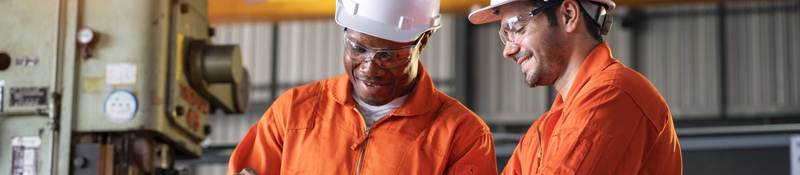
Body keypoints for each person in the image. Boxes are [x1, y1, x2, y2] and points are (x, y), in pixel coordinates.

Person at [227, 0, 498, 174]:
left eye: (388, 55)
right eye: (358, 48)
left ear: (423, 40)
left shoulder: (462, 135)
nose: (369, 67)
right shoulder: (293, 112)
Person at [468, 0, 682, 174]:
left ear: (568, 15)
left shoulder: (614, 95)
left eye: (517, 28)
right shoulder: (542, 131)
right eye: (505, 35)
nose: (508, 50)